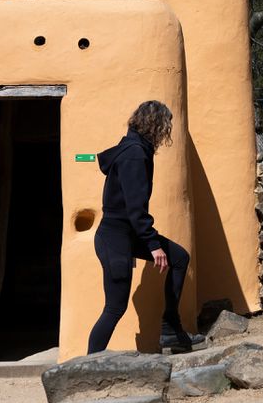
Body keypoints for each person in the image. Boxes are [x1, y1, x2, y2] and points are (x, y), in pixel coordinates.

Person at [87, 100, 203, 354]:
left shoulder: (136, 149)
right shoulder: (134, 155)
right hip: (114, 237)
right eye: (166, 126)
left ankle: (171, 329)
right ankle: (87, 368)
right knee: (115, 308)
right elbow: (135, 209)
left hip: (127, 234)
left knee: (180, 257)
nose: (167, 133)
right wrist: (153, 246)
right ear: (156, 125)